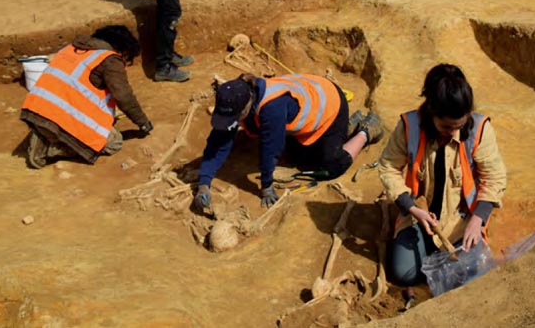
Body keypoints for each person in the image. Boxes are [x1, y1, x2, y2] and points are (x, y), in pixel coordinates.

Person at [378, 63, 507, 287]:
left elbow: (494, 178)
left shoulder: (479, 129)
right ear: (431, 113)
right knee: (404, 275)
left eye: (460, 124)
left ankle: (435, 252)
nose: (454, 132)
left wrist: (478, 219)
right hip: (417, 215)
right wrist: (411, 208)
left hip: (461, 219)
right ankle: (420, 246)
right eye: (447, 126)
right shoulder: (409, 126)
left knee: (472, 273)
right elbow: (388, 166)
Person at [193, 73, 385, 210]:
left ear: (246, 105)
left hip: (330, 104)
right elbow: (218, 141)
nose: (232, 122)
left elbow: (270, 149)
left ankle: (366, 131)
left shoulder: (272, 108)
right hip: (310, 101)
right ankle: (346, 129)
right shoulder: (237, 97)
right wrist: (204, 183)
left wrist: (266, 186)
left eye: (234, 118)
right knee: (297, 160)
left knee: (331, 167)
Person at [21, 25, 153, 169]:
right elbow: (123, 96)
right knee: (113, 143)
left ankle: (45, 135)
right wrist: (142, 122)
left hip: (35, 110)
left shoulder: (72, 48)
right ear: (123, 50)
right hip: (56, 118)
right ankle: (49, 149)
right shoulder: (109, 59)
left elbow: (78, 89)